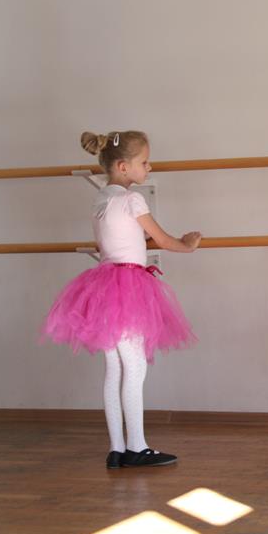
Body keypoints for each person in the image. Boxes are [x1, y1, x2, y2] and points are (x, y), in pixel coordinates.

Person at [43, 130, 200, 468]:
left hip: (103, 286)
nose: (149, 167)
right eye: (144, 162)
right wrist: (188, 244)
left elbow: (119, 239)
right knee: (136, 366)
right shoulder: (133, 199)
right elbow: (162, 239)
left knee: (114, 368)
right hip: (128, 287)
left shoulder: (101, 199)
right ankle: (137, 447)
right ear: (124, 166)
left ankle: (116, 448)